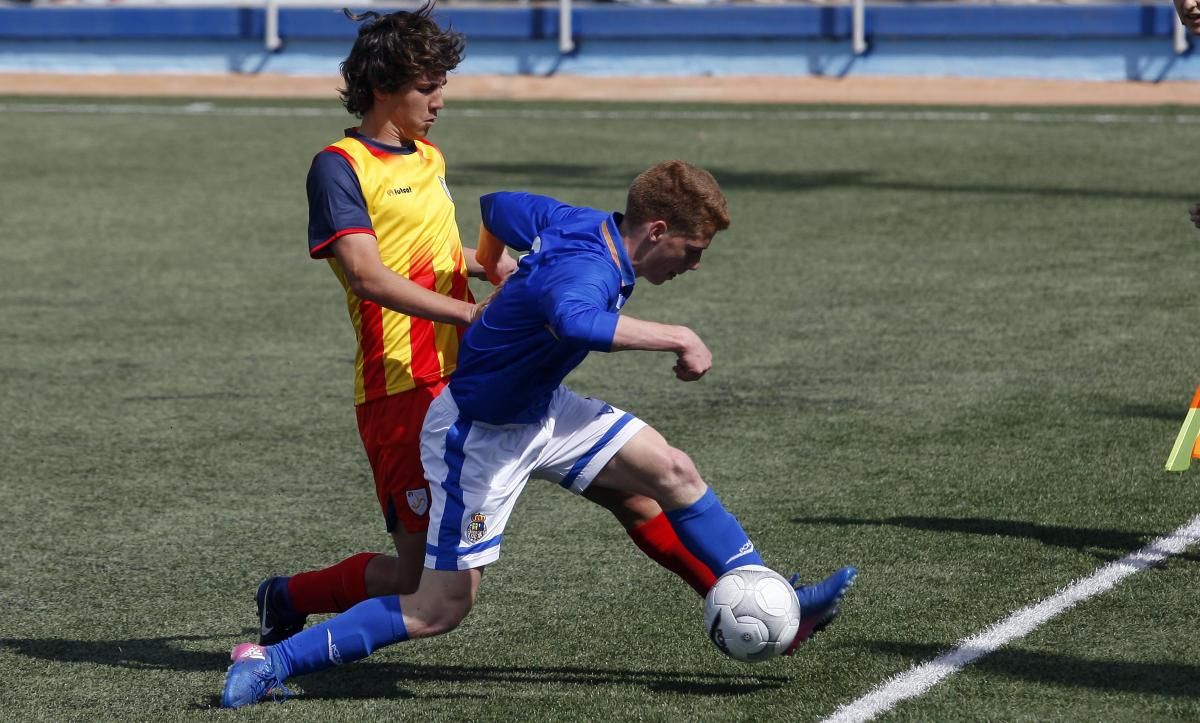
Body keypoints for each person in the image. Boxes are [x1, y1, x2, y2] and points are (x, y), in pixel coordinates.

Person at [222, 160, 857, 708]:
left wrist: (495, 267)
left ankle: (780, 598)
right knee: (438, 607)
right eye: (692, 251)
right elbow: (575, 322)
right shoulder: (589, 270)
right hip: (479, 437)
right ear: (658, 231)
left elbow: (498, 206)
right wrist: (679, 335)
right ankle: (270, 662)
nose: (694, 264)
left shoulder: (582, 222)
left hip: (542, 411)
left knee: (672, 471)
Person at [256, 2, 730, 654]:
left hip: (478, 371)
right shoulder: (338, 166)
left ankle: (744, 592)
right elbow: (367, 273)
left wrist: (496, 270)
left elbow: (435, 250)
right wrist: (466, 311)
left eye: (442, 84)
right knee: (418, 579)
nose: (440, 100)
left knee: (639, 493)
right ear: (382, 87)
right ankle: (288, 597)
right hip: (404, 386)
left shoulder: (426, 157)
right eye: (427, 86)